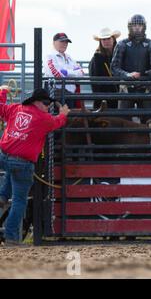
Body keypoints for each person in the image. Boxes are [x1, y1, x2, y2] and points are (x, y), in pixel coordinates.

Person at [0, 86, 70, 246]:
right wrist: (63, 114)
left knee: (12, 170)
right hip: (23, 162)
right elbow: (58, 122)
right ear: (38, 103)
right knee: (19, 201)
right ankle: (11, 237)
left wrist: (3, 91)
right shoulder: (43, 119)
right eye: (46, 103)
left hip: (4, 156)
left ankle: (3, 195)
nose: (48, 107)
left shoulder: (16, 108)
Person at [111, 14, 151, 124]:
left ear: (144, 27)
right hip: (126, 88)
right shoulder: (122, 44)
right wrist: (127, 75)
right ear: (129, 27)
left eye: (140, 25)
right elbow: (114, 67)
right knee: (122, 122)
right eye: (134, 25)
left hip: (145, 87)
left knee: (149, 122)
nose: (137, 27)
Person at [44, 33, 84, 108]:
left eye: (66, 42)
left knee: (70, 118)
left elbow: (81, 73)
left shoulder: (69, 57)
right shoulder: (49, 56)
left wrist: (67, 72)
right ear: (54, 42)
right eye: (61, 41)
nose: (64, 44)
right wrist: (74, 72)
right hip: (57, 94)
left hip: (70, 94)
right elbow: (56, 75)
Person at [89, 27, 121, 109]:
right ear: (100, 42)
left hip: (119, 95)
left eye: (108, 39)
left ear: (113, 39)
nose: (106, 41)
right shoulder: (96, 58)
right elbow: (95, 81)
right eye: (103, 39)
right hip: (103, 98)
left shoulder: (120, 55)